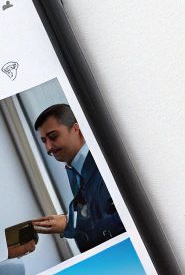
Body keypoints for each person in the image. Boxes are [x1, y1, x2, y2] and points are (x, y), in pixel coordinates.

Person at [29, 103, 125, 251]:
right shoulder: (75, 169)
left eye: (53, 136)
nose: (48, 148)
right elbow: (96, 212)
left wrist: (70, 224)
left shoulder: (107, 164)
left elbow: (125, 221)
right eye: (44, 141)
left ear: (76, 128)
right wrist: (67, 220)